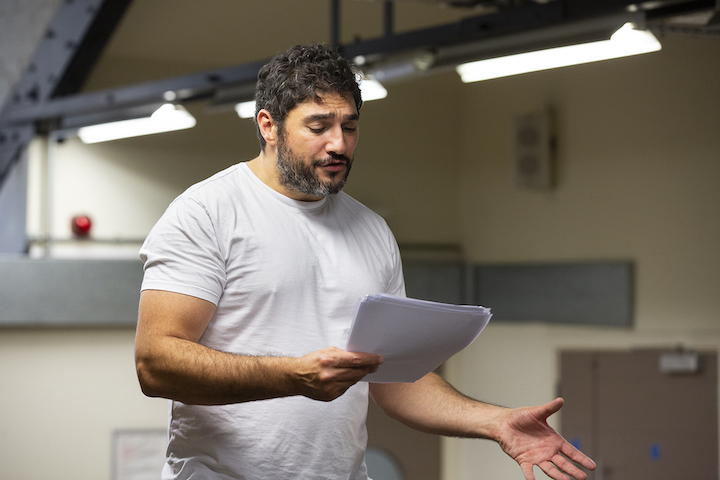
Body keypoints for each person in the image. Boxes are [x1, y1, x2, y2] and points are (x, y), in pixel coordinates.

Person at [134, 43, 596, 480]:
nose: (339, 144)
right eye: (319, 127)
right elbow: (155, 363)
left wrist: (494, 421)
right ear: (268, 126)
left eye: (349, 127)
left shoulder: (372, 230)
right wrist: (292, 376)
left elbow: (394, 379)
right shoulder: (207, 212)